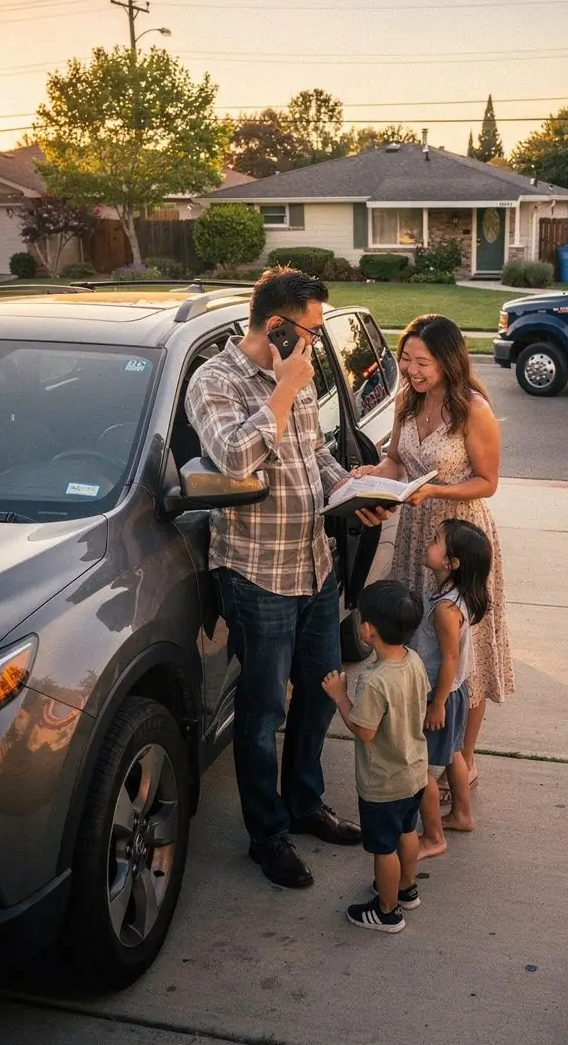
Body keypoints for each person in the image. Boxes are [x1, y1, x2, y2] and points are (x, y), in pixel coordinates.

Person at [185, 267, 385, 890]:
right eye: (312, 331)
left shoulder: (294, 372)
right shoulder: (214, 381)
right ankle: (266, 835)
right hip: (257, 574)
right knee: (262, 708)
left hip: (315, 564)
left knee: (322, 689)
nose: (317, 344)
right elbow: (236, 459)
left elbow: (313, 453)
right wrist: (281, 389)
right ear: (277, 326)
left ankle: (304, 802)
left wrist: (350, 487)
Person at [353, 314, 513, 796]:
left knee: (466, 655)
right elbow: (398, 460)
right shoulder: (407, 401)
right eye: (406, 359)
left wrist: (437, 490)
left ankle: (463, 760)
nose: (412, 369)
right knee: (424, 643)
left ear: (448, 360)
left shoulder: (473, 409)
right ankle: (430, 749)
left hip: (459, 536)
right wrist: (373, 475)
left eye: (422, 361)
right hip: (417, 537)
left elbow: (488, 482)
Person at [322, 580, 428, 934]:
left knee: (383, 849)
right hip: (413, 772)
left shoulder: (374, 680)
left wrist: (339, 695)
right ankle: (406, 888)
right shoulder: (413, 661)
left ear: (368, 630)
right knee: (407, 833)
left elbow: (364, 730)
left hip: (383, 783)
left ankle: (387, 911)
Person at [412, 518, 492, 859]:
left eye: (435, 541)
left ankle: (432, 837)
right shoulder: (453, 595)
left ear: (452, 563)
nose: (428, 543)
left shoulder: (445, 609)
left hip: (439, 695)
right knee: (455, 753)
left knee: (419, 766)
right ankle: (462, 815)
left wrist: (437, 704)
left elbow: (447, 659)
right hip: (455, 692)